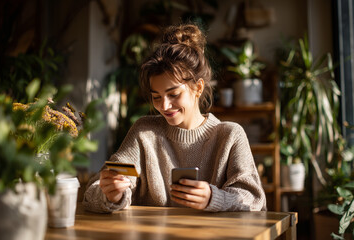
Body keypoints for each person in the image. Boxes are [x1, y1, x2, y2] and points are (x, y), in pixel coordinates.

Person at [83, 23, 267, 213]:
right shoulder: (145, 132)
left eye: (173, 94)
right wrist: (112, 195)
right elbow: (92, 192)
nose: (164, 106)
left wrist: (215, 198)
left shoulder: (229, 135)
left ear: (198, 87)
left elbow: (254, 200)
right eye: (156, 97)